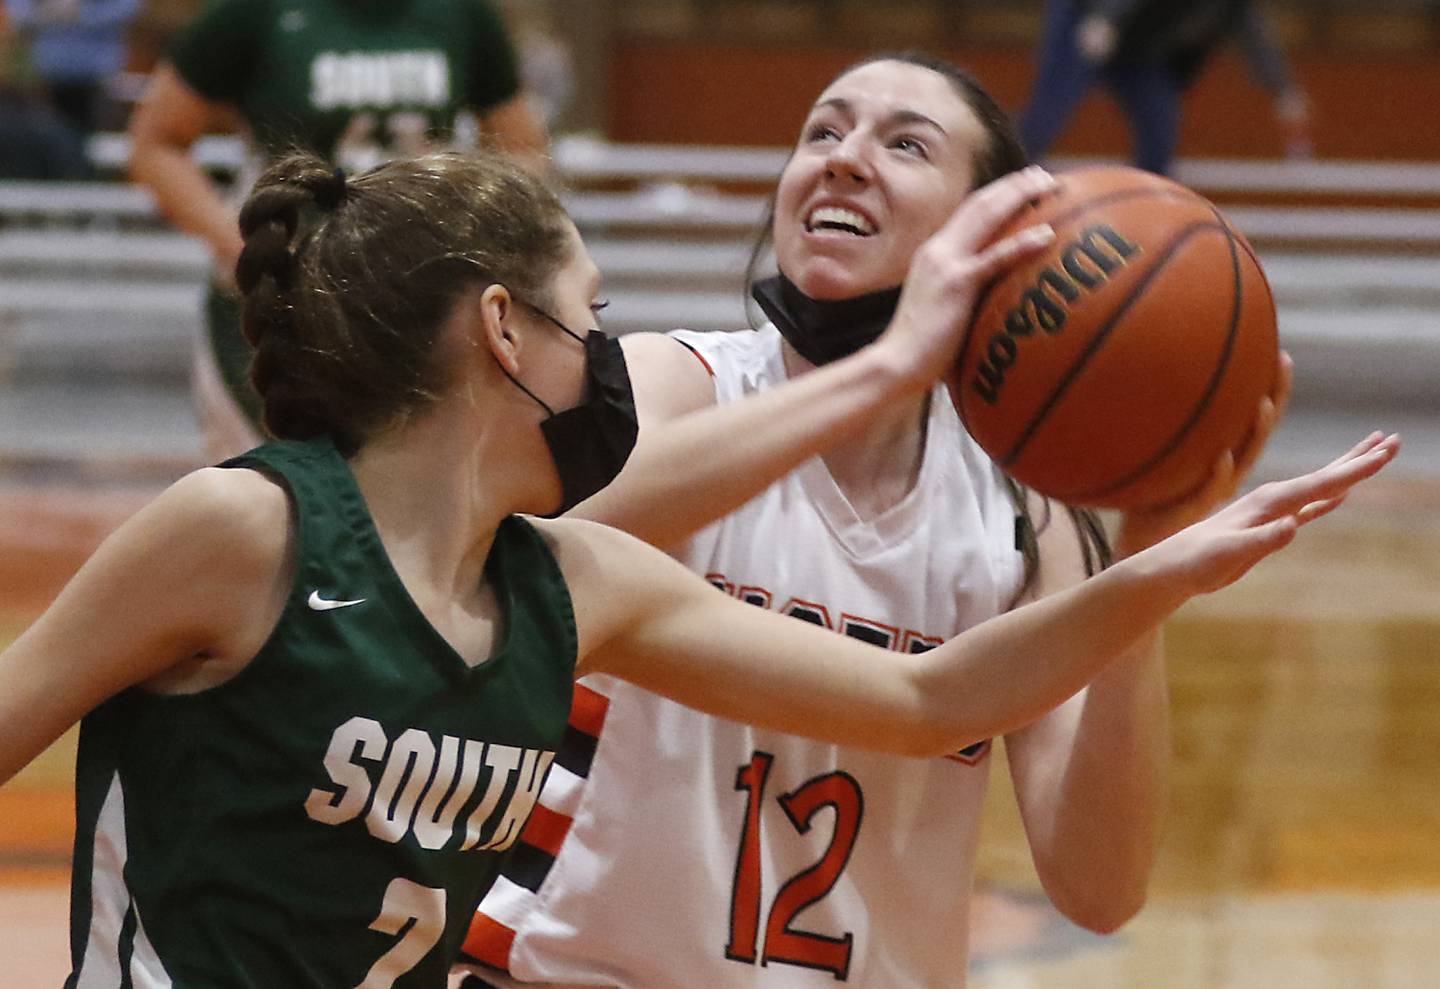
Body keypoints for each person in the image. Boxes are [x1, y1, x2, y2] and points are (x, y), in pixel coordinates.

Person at [0, 146, 1396, 986]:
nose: (610, 355)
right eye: (589, 319)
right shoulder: (247, 528)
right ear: (503, 333)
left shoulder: (571, 585)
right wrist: (902, 357)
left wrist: (1161, 561)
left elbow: (934, 699)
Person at [450, 53, 1335, 989]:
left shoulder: (1025, 518)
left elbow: (1099, 887)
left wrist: (1142, 581)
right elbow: (515, 568)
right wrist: (899, 361)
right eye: (822, 133)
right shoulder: (670, 387)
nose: (843, 158)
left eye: (905, 143)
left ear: (993, 230)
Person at [127, 0, 551, 461]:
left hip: (412, 296)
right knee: (273, 494)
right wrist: (235, 239)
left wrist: (468, 224)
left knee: (411, 490)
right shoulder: (250, 12)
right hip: (283, 297)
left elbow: (525, 151)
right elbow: (155, 144)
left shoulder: (462, 14)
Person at [1018, 0, 1313, 175]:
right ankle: (1005, 182)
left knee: (1160, 129)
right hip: (1085, 19)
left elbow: (1253, 35)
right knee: (1046, 117)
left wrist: (1283, 91)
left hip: (1137, 51)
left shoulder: (1232, 5)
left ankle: (1148, 216)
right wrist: (1105, 19)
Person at [5, 0, 141, 140]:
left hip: (98, 76)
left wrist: (80, 15)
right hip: (43, 77)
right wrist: (47, 14)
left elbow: (128, 8)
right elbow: (17, 12)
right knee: (44, 140)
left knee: (92, 142)